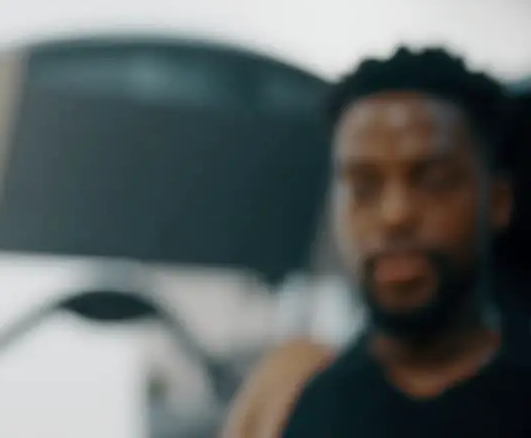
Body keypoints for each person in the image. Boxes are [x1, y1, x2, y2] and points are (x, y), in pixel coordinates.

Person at [221, 46, 531, 438]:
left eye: (433, 181)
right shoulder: (294, 397)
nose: (394, 215)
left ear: (498, 202)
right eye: (364, 186)